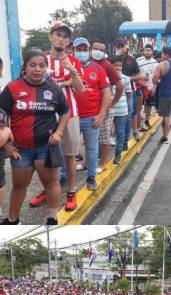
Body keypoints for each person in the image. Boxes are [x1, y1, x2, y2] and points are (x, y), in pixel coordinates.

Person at [0, 48, 70, 225]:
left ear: (46, 68)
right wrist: (7, 144)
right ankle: (13, 220)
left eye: (41, 65)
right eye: (32, 65)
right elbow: (2, 117)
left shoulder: (54, 89)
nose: (37, 69)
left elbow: (65, 112)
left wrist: (59, 132)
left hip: (46, 148)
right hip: (20, 150)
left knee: (51, 183)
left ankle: (52, 218)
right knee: (18, 186)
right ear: (25, 68)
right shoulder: (12, 88)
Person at [33, 21, 84, 213]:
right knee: (45, 157)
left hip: (69, 114)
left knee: (70, 157)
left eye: (65, 36)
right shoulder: (40, 59)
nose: (61, 39)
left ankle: (71, 192)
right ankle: (49, 190)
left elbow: (80, 89)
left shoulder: (73, 61)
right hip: (44, 116)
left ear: (68, 41)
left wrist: (72, 71)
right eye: (58, 35)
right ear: (50, 36)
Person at [72, 37, 111, 191]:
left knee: (92, 148)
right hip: (70, 118)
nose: (81, 53)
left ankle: (91, 177)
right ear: (73, 51)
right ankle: (63, 176)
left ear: (89, 52)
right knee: (67, 151)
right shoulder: (67, 68)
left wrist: (100, 116)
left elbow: (106, 94)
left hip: (90, 117)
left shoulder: (98, 69)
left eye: (84, 50)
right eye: (78, 50)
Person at [90, 40, 124, 172]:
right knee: (90, 138)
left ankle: (102, 164)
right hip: (90, 108)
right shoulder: (87, 63)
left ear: (104, 52)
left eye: (100, 50)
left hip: (104, 108)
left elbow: (120, 85)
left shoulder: (107, 65)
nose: (97, 51)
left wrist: (113, 102)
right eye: (95, 48)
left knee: (104, 137)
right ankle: (88, 163)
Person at [113, 38, 142, 151]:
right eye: (118, 46)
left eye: (122, 46)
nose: (121, 48)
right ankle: (117, 137)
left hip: (129, 91)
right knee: (113, 116)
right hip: (114, 91)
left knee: (128, 116)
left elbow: (139, 75)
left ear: (126, 46)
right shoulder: (112, 59)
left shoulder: (131, 59)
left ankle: (125, 141)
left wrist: (130, 78)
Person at [109, 56, 133, 165]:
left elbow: (129, 94)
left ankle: (118, 154)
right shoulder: (106, 77)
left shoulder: (125, 78)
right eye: (115, 65)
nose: (118, 67)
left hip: (122, 109)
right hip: (108, 109)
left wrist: (127, 107)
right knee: (105, 133)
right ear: (111, 66)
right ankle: (100, 154)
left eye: (120, 65)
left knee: (120, 132)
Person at [135, 44, 159, 139]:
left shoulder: (155, 63)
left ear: (152, 51)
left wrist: (154, 87)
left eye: (149, 50)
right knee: (139, 106)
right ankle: (138, 124)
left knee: (149, 105)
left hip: (151, 87)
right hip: (140, 86)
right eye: (145, 50)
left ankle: (146, 120)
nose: (147, 52)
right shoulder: (138, 60)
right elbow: (136, 73)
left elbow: (157, 76)